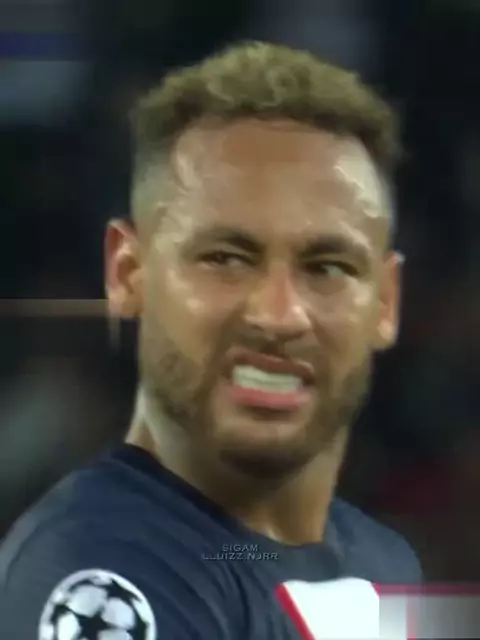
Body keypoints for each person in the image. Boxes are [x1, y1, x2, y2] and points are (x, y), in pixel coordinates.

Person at [0, 41, 421, 639]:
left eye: (327, 267)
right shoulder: (99, 569)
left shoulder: (384, 560)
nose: (279, 316)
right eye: (226, 258)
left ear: (385, 302)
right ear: (127, 273)